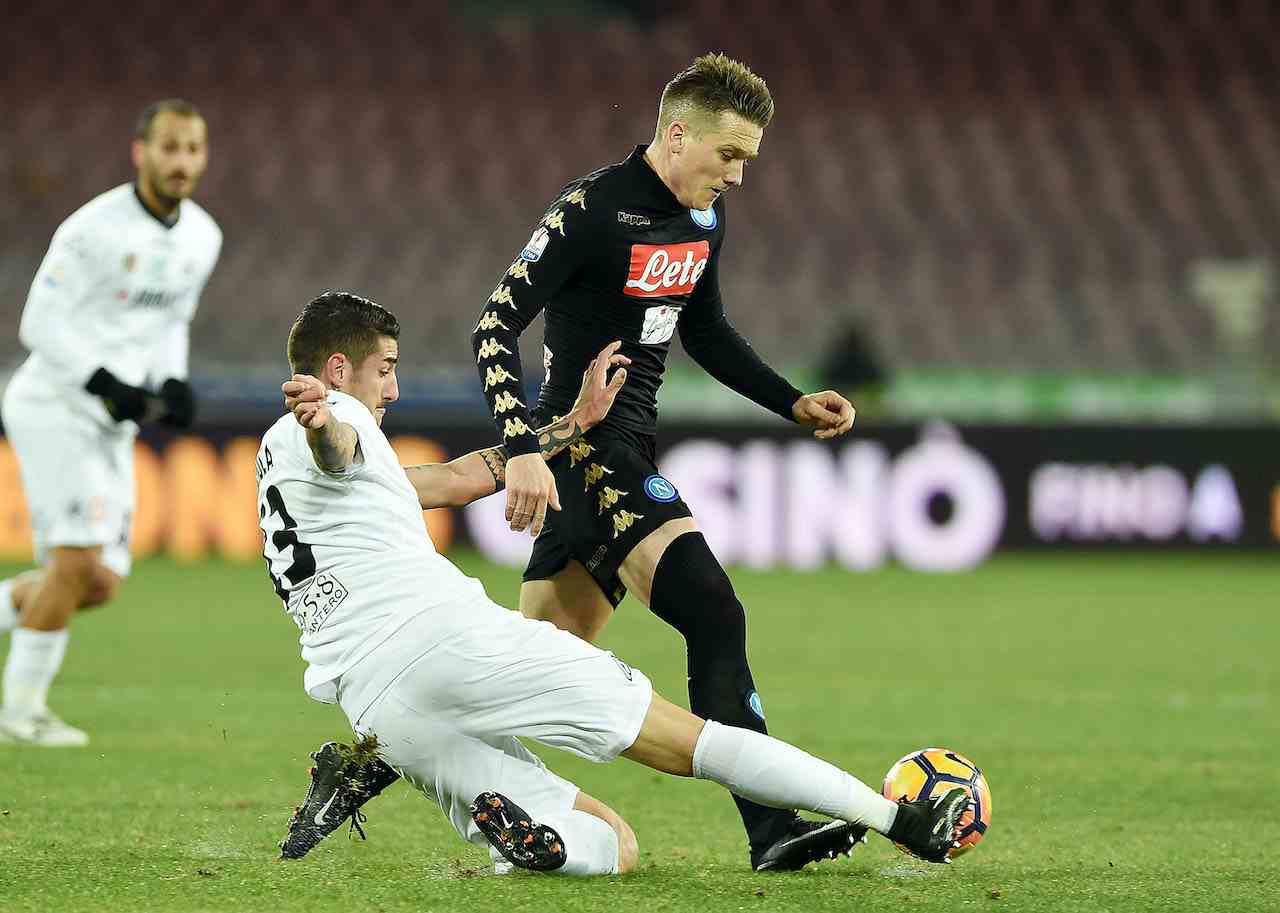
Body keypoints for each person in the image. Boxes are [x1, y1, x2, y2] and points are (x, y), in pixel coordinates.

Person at [288, 50, 863, 872]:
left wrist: (790, 399)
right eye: (728, 155)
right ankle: (772, 828)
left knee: (522, 664)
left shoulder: (702, 221)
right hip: (588, 445)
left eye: (747, 161)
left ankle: (375, 759)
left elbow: (704, 329)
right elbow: (492, 326)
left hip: (622, 444)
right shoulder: (592, 210)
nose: (737, 176)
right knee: (713, 609)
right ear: (676, 134)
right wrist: (524, 446)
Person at [263, 291, 968, 876]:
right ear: (336, 367)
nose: (393, 386)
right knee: (691, 741)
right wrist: (327, 422)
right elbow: (339, 448)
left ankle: (531, 834)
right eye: (385, 368)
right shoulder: (334, 416)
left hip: (376, 707)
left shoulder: (274, 462)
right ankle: (896, 816)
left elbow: (447, 480)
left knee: (614, 847)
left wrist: (573, 423)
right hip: (443, 640)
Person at [0, 99, 221, 746]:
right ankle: (20, 712)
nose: (181, 162)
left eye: (192, 149)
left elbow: (170, 319)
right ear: (141, 151)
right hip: (55, 405)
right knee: (72, 561)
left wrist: (171, 380)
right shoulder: (92, 229)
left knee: (96, 582)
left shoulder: (203, 236)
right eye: (169, 147)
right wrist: (101, 380)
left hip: (109, 418)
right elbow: (35, 325)